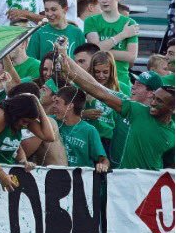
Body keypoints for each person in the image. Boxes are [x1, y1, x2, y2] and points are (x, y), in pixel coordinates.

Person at [59, 41, 174, 171]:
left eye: (139, 85)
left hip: (148, 187)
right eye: (134, 82)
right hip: (119, 178)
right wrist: (66, 60)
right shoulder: (133, 108)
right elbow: (97, 89)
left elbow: (171, 167)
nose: (133, 87)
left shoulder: (172, 131)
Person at [0, 93, 56, 190]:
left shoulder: (23, 119)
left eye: (28, 123)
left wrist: (23, 160)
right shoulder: (0, 116)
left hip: (5, 174)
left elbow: (49, 137)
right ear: (16, 113)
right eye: (24, 121)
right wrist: (1, 174)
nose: (25, 126)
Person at [83, 0, 139, 95]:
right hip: (97, 81)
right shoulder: (91, 21)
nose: (104, 0)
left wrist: (103, 49)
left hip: (121, 81)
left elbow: (131, 57)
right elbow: (95, 51)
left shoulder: (129, 23)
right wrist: (123, 35)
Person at [48, 86, 109, 171]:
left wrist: (102, 165)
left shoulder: (89, 130)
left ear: (70, 106)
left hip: (80, 180)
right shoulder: (50, 121)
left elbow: (103, 159)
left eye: (57, 102)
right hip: (55, 178)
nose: (53, 106)